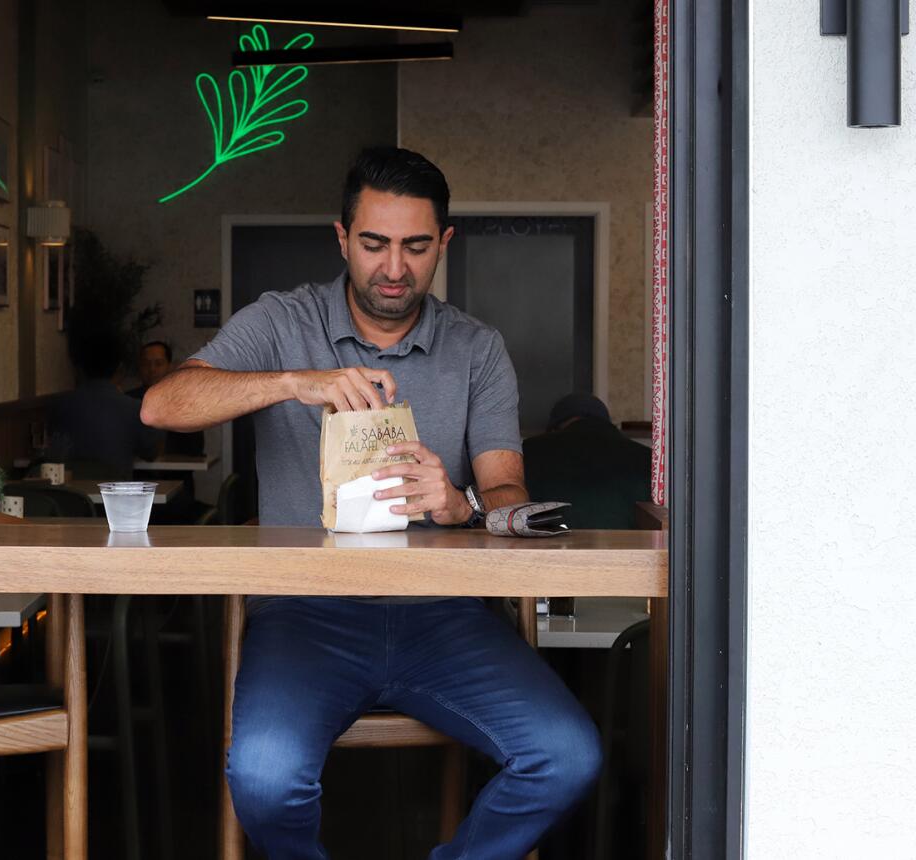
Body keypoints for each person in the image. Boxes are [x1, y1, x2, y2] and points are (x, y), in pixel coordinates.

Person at [141, 147, 601, 858]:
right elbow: (161, 405)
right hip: (304, 612)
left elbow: (508, 491)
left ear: (443, 243)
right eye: (375, 244)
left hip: (442, 612)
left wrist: (461, 502)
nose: (394, 268)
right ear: (341, 238)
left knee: (567, 756)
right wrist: (293, 381)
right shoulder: (281, 321)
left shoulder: (477, 349)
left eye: (417, 247)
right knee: (263, 778)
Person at [46, 304, 162, 479]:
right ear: (119, 369)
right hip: (116, 500)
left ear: (79, 368)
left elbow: (55, 450)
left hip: (71, 500)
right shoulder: (134, 409)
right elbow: (151, 452)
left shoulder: (59, 405)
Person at [522, 393, 652, 529]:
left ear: (555, 427)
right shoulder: (646, 456)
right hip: (629, 547)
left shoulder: (530, 451)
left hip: (548, 547)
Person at [127, 341, 205, 457]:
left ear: (169, 366)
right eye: (146, 364)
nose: (152, 369)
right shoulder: (127, 400)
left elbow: (195, 448)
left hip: (176, 472)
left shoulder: (185, 401)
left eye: (158, 364)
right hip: (138, 472)